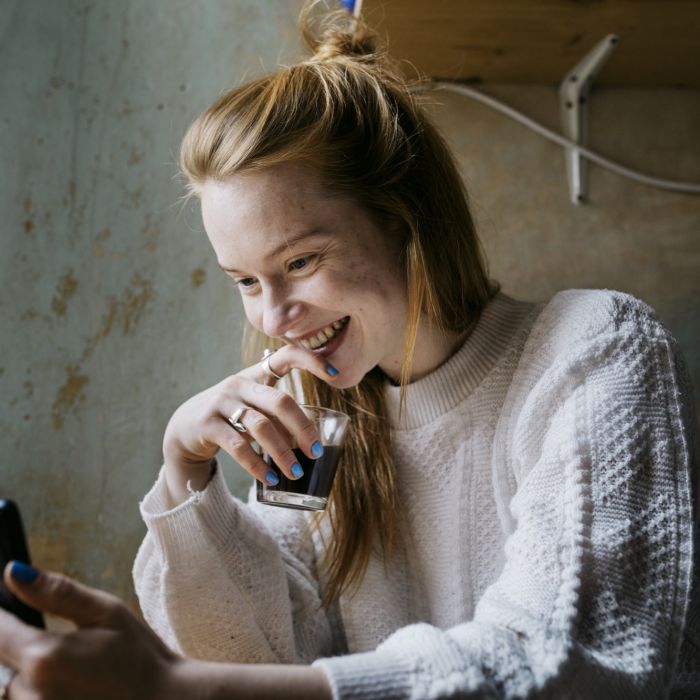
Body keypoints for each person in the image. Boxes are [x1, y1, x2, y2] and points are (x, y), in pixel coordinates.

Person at [1, 2, 698, 698]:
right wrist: (186, 473)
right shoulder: (318, 417)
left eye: (301, 262)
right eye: (245, 280)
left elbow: (569, 664)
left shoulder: (594, 349)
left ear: (406, 222)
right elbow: (261, 660)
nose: (274, 316)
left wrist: (178, 691)